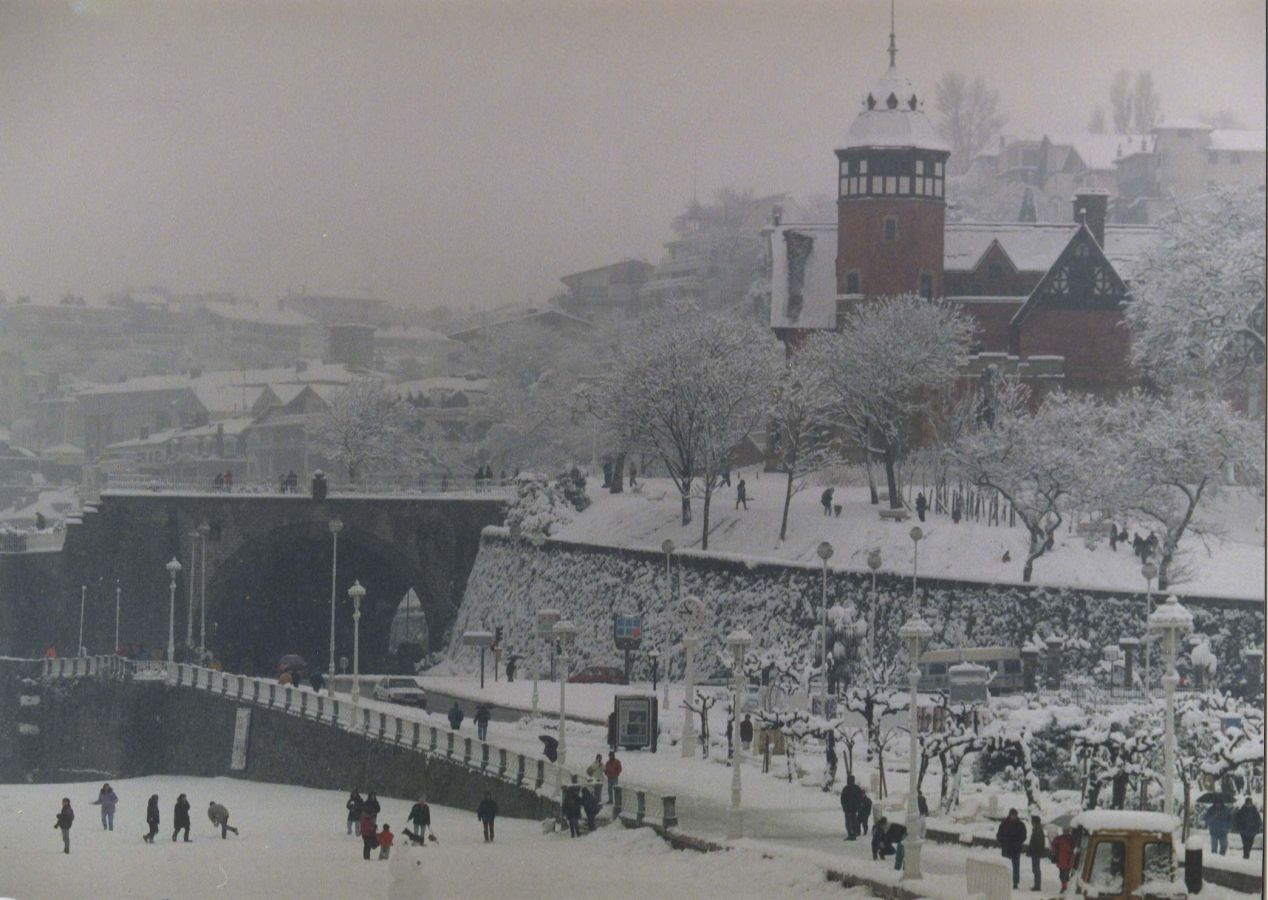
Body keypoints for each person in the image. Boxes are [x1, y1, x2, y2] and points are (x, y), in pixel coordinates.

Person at [997, 808, 1028, 889]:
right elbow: (999, 835)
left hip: (1016, 849)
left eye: (1015, 815)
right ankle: (1003, 880)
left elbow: (1024, 836)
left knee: (1016, 867)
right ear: (1009, 815)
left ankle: (1015, 883)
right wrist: (1004, 841)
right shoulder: (1004, 824)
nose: (1013, 817)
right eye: (1012, 815)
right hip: (1006, 848)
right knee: (1004, 866)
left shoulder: (1021, 825)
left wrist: (1018, 842)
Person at [1051, 826, 1078, 891]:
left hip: (1064, 860)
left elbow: (1053, 845)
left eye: (1066, 831)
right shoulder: (1072, 839)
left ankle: (1065, 886)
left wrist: (1054, 851)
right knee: (1064, 874)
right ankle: (1066, 886)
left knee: (1062, 875)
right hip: (1067, 860)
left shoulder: (1059, 838)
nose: (1065, 832)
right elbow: (1075, 848)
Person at [840, 775, 864, 840]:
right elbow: (861, 798)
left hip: (848, 809)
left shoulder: (846, 788)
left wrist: (844, 806)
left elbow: (842, 799)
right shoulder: (857, 788)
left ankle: (851, 834)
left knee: (848, 822)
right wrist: (859, 806)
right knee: (853, 821)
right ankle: (853, 834)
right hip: (853, 808)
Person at [1028, 814, 1046, 890]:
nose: (1031, 822)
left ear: (1035, 822)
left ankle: (1037, 885)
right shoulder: (1037, 829)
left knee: (1036, 869)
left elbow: (1037, 842)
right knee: (1035, 868)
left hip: (1036, 852)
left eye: (1032, 821)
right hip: (1036, 852)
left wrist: (1032, 849)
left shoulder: (1037, 830)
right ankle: (1037, 885)